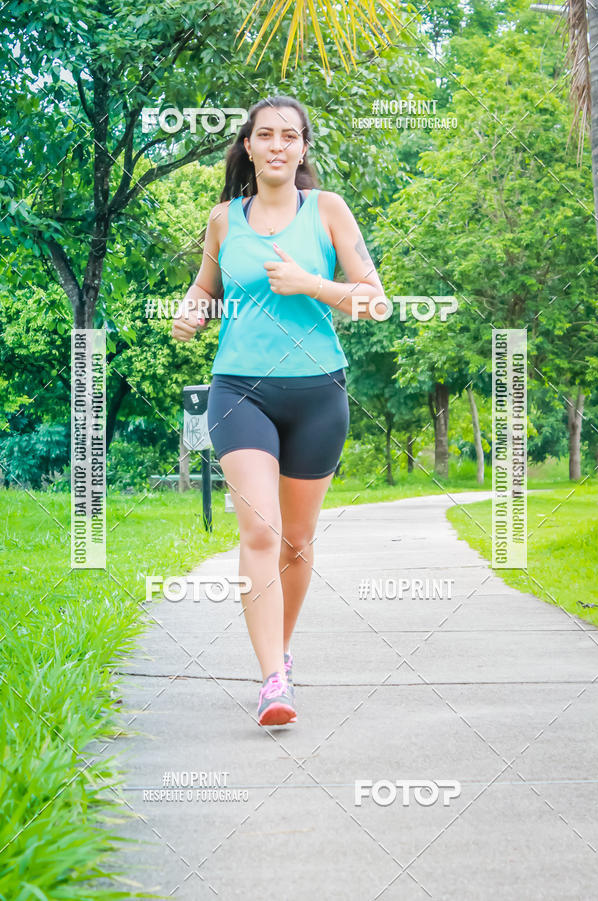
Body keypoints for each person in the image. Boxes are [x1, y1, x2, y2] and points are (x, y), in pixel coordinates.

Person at [172, 94, 386, 727]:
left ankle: (282, 654)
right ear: (247, 146)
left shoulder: (327, 211)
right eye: (264, 135)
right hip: (240, 389)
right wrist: (192, 310)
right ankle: (271, 680)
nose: (276, 145)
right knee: (260, 531)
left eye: (288, 136)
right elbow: (205, 288)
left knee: (296, 540)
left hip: (319, 392)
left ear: (302, 148)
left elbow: (375, 302)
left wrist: (312, 284)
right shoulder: (222, 220)